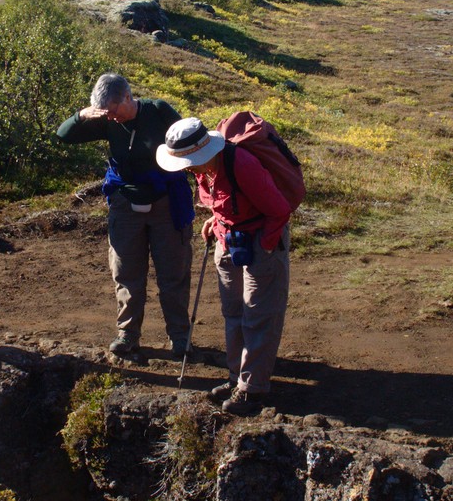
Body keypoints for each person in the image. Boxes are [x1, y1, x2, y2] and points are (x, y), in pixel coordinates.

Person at [156, 117, 292, 416]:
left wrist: (265, 247)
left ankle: (252, 389)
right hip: (229, 238)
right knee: (234, 312)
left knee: (258, 314)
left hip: (260, 239)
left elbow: (279, 210)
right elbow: (225, 202)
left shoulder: (241, 164)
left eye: (189, 162)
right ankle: (236, 378)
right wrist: (217, 223)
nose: (187, 168)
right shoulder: (204, 170)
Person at [56, 73, 194, 357]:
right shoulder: (109, 121)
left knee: (173, 272)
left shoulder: (158, 110)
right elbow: (64, 135)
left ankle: (179, 336)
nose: (113, 119)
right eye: (107, 114)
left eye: (115, 112)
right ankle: (128, 334)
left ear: (129, 97)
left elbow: (189, 141)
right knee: (126, 272)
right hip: (125, 203)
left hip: (166, 201)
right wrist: (82, 116)